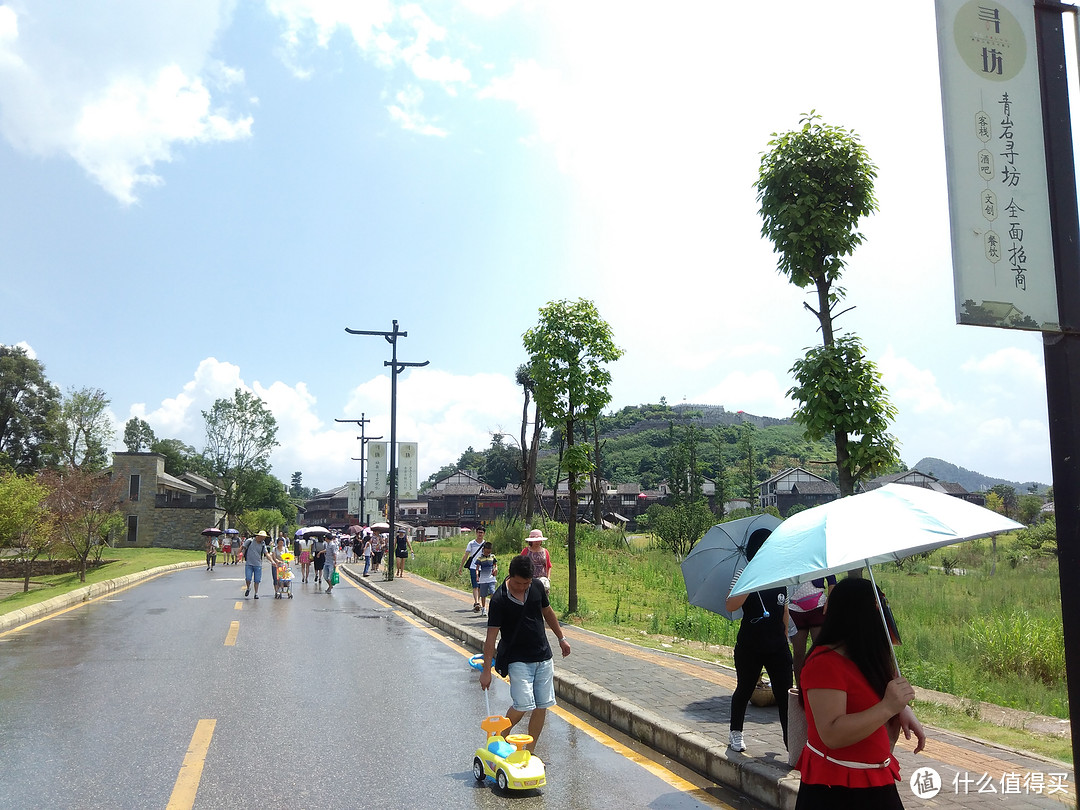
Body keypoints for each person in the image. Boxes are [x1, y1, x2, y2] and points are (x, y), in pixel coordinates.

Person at [795, 577, 925, 810]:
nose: (884, 619)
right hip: (835, 790)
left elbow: (874, 697)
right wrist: (887, 707)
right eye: (878, 609)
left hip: (876, 779)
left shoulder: (871, 655)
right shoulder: (823, 664)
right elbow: (832, 734)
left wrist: (902, 709)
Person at [478, 555, 571, 752]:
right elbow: (491, 637)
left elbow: (548, 612)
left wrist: (561, 638)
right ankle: (499, 739)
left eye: (526, 583)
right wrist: (486, 670)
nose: (522, 587)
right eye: (519, 583)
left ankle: (530, 751)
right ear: (510, 576)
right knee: (523, 704)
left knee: (542, 704)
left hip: (543, 656)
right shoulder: (499, 599)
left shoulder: (536, 587)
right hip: (517, 659)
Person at [725, 527, 793, 753]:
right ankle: (736, 733)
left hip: (777, 646)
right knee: (744, 688)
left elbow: (784, 610)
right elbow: (731, 605)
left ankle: (790, 743)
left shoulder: (779, 575)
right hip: (750, 645)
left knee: (785, 695)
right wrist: (748, 583)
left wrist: (784, 637)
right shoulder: (744, 574)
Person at [788, 575, 836, 687]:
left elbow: (832, 580)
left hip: (818, 606)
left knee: (820, 650)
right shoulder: (787, 559)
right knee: (798, 652)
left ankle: (822, 683)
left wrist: (830, 601)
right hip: (794, 608)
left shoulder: (816, 558)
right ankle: (800, 687)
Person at [458, 527, 486, 613]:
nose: (480, 534)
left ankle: (478, 602)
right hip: (473, 567)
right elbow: (466, 555)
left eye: (481, 532)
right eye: (478, 532)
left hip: (483, 567)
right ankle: (476, 602)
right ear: (476, 533)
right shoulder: (471, 543)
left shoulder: (486, 544)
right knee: (475, 585)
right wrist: (461, 566)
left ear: (484, 534)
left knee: (481, 586)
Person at [242, 531, 271, 599]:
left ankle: (256, 593)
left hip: (258, 564)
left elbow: (266, 553)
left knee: (257, 580)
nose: (263, 539)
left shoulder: (263, 544)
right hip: (249, 563)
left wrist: (272, 561)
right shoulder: (250, 541)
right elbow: (243, 547)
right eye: (262, 537)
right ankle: (248, 588)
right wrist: (240, 555)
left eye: (264, 537)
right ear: (258, 536)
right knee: (248, 578)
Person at [471, 541, 497, 616]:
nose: (487, 553)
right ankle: (484, 608)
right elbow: (477, 568)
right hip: (483, 578)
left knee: (493, 592)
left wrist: (495, 569)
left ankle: (492, 607)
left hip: (491, 578)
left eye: (489, 551)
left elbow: (495, 565)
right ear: (483, 549)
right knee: (483, 594)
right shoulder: (480, 558)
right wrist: (477, 576)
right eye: (486, 551)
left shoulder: (492, 557)